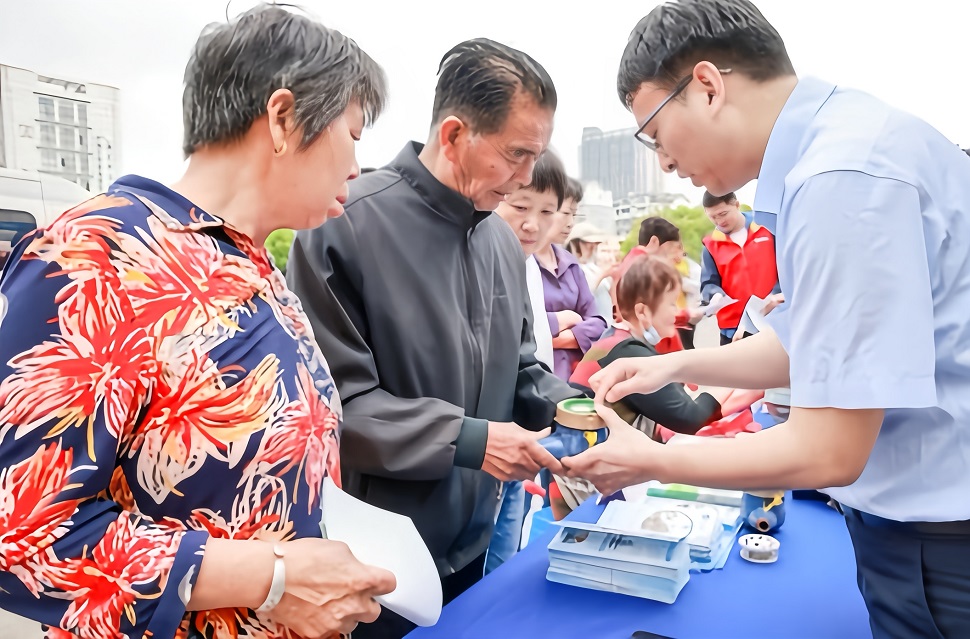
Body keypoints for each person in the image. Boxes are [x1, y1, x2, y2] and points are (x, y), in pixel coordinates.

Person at [563, 1, 970, 637]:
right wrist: (676, 361)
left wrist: (655, 461)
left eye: (653, 133)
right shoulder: (848, 143)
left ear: (706, 85)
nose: (663, 161)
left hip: (940, 542)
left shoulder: (841, 179)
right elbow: (811, 344)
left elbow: (828, 448)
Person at [0, 6, 396, 639]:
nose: (356, 165)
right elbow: (22, 533)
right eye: (353, 131)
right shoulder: (101, 254)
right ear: (283, 118)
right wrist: (268, 577)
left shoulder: (257, 266)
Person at [287, 39, 577, 639]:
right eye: (516, 155)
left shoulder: (499, 240)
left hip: (472, 546)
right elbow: (336, 405)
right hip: (375, 563)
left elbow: (520, 368)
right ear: (453, 136)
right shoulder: (345, 224)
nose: (526, 178)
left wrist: (580, 407)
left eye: (536, 156)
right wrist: (468, 440)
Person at [487, 150, 567, 573]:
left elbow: (531, 361)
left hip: (527, 437)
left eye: (547, 212)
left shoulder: (529, 266)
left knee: (507, 554)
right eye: (519, 206)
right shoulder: (484, 264)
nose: (532, 224)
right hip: (488, 446)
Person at [701, 190, 782, 345]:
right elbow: (708, 285)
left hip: (772, 320)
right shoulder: (710, 245)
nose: (719, 221)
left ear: (736, 205)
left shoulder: (767, 227)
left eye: (723, 213)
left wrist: (777, 295)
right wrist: (714, 295)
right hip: (732, 329)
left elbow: (787, 268)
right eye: (713, 217)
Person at [535, 220, 608, 381]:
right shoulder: (522, 263)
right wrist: (567, 318)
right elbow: (518, 326)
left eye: (573, 214)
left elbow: (599, 323)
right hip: (538, 377)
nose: (569, 222)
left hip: (575, 374)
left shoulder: (571, 264)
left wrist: (557, 338)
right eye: (565, 212)